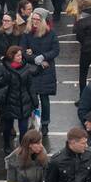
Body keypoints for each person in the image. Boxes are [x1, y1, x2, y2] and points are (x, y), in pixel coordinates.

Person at [21, 8, 60, 136]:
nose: (35, 22)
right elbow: (23, 51)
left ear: (43, 21)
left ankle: (45, 124)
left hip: (46, 71)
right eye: (33, 19)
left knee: (44, 99)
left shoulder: (51, 33)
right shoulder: (27, 33)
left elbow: (55, 50)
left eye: (38, 19)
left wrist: (43, 56)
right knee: (31, 99)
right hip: (32, 70)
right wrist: (35, 59)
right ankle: (33, 122)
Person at [0, 45, 36, 152]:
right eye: (18, 55)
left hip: (23, 101)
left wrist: (34, 101)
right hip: (8, 102)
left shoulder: (26, 67)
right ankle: (7, 145)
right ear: (12, 56)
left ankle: (22, 148)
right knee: (7, 127)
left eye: (21, 55)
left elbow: (30, 86)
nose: (21, 57)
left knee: (24, 128)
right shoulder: (2, 68)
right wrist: (4, 80)